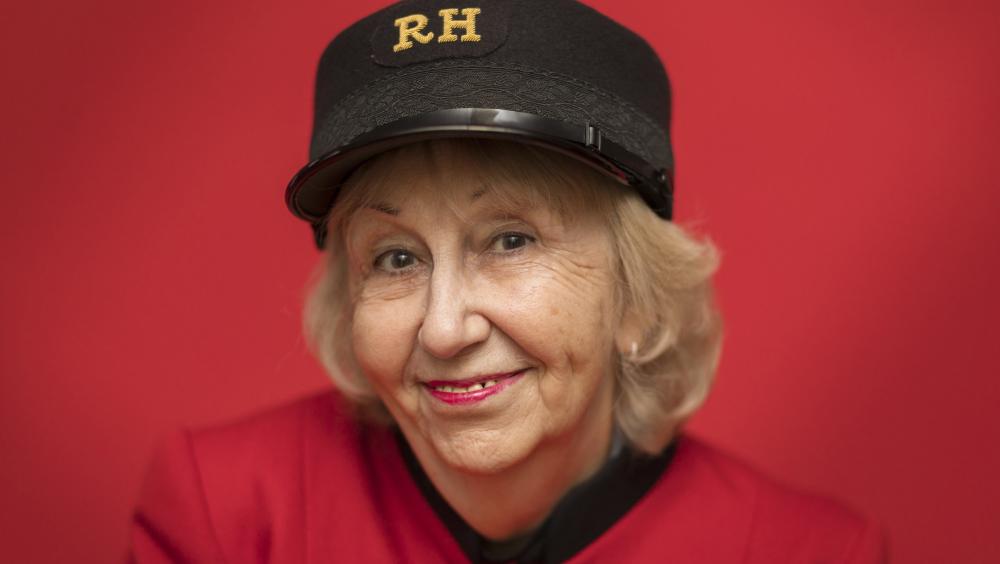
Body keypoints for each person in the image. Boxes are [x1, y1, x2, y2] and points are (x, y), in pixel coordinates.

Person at [129, 1, 887, 562]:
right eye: (396, 258)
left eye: (511, 240)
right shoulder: (224, 516)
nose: (444, 328)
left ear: (637, 299)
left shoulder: (813, 551)